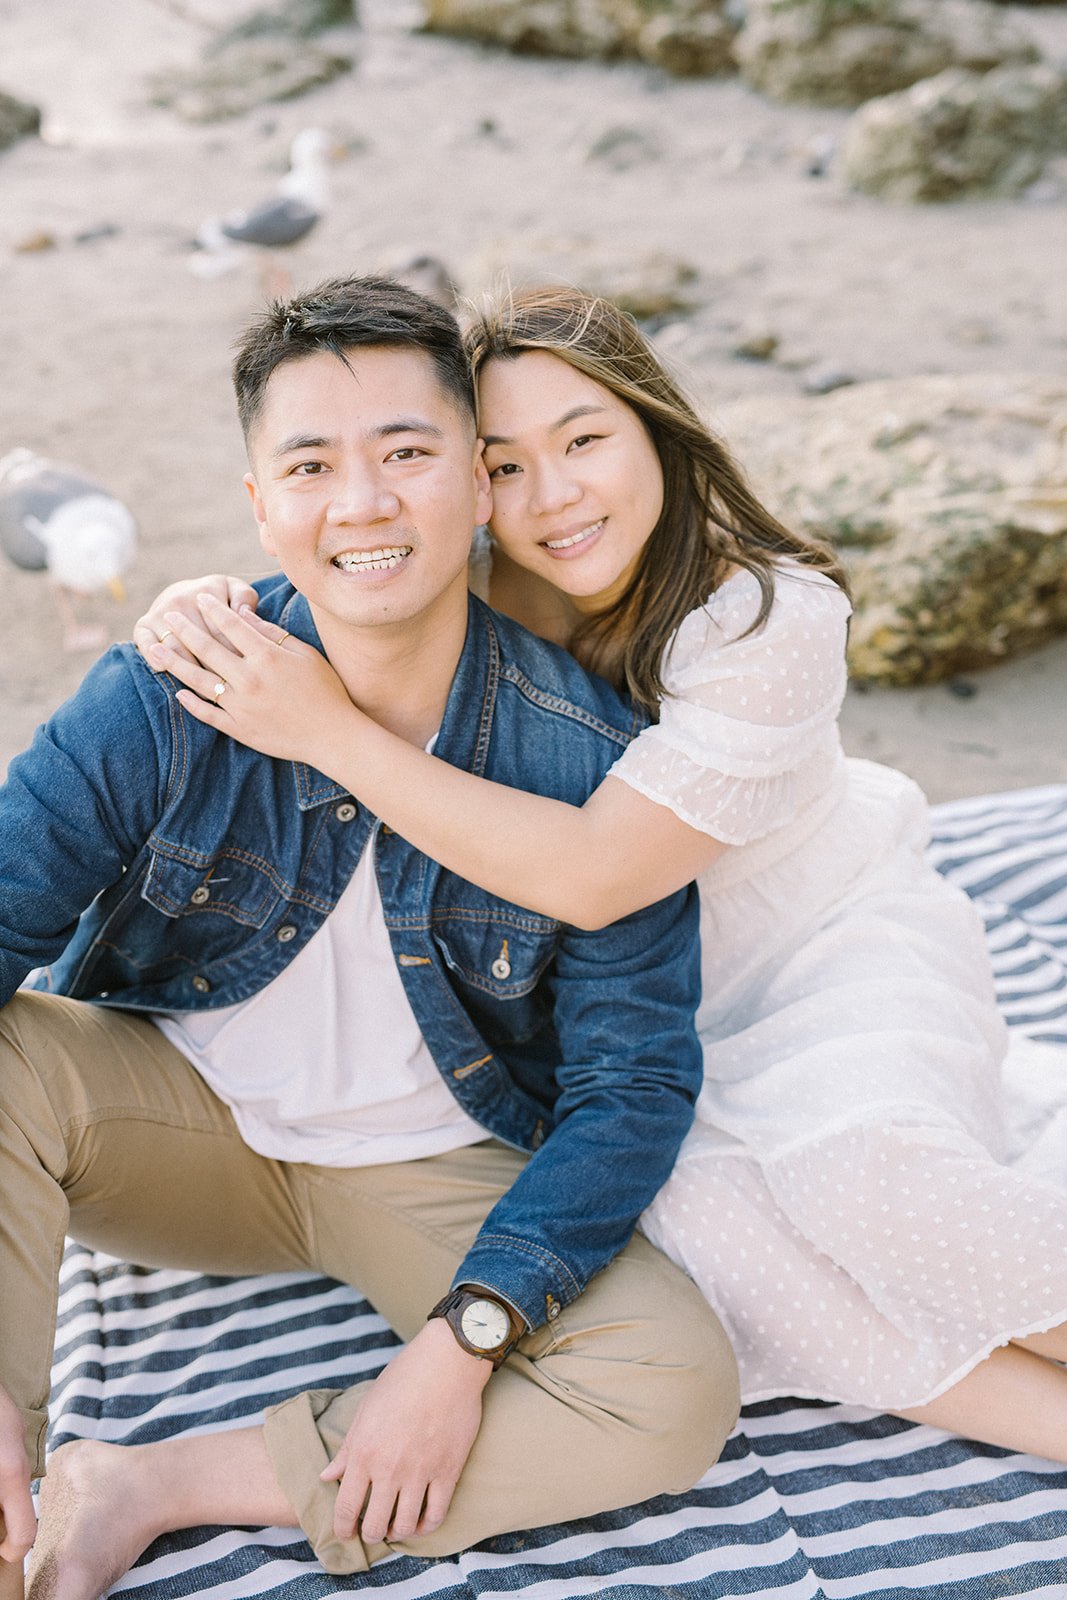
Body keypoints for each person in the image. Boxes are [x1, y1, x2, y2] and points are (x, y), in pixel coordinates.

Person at [138, 283, 1067, 1466]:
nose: (554, 496)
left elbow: (591, 877)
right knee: (699, 1232)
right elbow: (331, 559)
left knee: (855, 1172)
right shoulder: (469, 581)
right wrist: (201, 606)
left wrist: (325, 731)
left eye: (583, 440)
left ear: (657, 432)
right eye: (507, 465)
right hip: (636, 1025)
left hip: (828, 962)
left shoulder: (764, 621)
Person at [0, 276, 742, 1600]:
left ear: (474, 480)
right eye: (310, 466)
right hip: (176, 1132)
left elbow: (631, 1086)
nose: (362, 504)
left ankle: (149, 1480)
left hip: (433, 1168)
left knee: (670, 1391)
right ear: (257, 505)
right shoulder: (166, 691)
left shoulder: (584, 761)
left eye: (405, 453)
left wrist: (463, 1343)